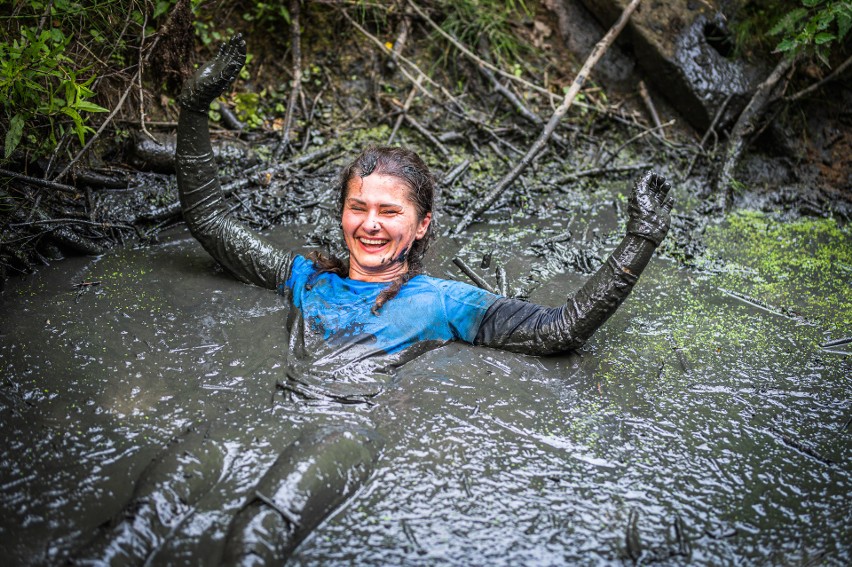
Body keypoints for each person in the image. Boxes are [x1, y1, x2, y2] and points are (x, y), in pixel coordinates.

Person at [166, 34, 673, 563]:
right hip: (274, 412)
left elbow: (559, 330)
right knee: (151, 507)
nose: (370, 224)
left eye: (390, 212)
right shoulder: (305, 278)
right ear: (341, 214)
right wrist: (195, 106)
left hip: (345, 429)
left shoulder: (443, 302)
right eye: (358, 208)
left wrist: (641, 238)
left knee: (254, 538)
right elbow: (208, 219)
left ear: (422, 224)